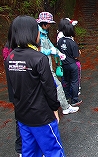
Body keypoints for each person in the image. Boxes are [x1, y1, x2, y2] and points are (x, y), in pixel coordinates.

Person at [5, 15, 66, 157]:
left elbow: (12, 90)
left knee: (30, 151)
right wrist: (54, 108)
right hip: (42, 116)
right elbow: (49, 88)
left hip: (22, 116)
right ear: (32, 33)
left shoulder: (10, 58)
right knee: (53, 150)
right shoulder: (39, 58)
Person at [37, 12, 79, 113]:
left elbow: (51, 45)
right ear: (44, 23)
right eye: (49, 24)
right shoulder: (37, 33)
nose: (49, 26)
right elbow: (38, 49)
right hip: (43, 65)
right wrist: (50, 51)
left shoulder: (43, 33)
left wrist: (57, 52)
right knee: (57, 85)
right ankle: (65, 107)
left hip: (46, 64)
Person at [2, 23, 22, 156]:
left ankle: (22, 148)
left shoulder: (8, 49)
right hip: (20, 90)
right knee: (23, 120)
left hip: (15, 91)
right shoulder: (13, 50)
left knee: (20, 118)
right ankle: (21, 148)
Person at [57, 22, 82, 106]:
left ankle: (66, 97)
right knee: (74, 81)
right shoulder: (72, 43)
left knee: (66, 81)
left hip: (64, 64)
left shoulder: (60, 41)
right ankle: (74, 99)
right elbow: (76, 56)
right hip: (72, 64)